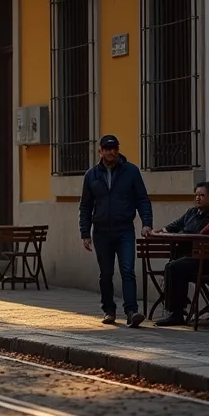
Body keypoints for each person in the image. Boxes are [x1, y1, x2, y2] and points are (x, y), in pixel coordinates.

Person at [78, 134, 153, 328]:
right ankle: (109, 310)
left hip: (124, 229)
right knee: (106, 273)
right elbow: (85, 206)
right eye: (107, 149)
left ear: (118, 150)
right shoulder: (92, 175)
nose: (111, 152)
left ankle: (131, 311)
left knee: (128, 270)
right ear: (100, 151)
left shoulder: (131, 171)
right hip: (101, 231)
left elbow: (142, 199)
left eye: (114, 149)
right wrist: (85, 233)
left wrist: (147, 222)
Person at [153, 185, 209, 327]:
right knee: (175, 265)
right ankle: (178, 309)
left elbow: (205, 232)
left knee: (174, 267)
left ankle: (176, 313)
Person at [144, 181, 209, 260]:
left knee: (172, 267)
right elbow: (176, 224)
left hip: (196, 255)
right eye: (196, 195)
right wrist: (158, 232)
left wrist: (179, 234)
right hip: (181, 251)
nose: (197, 198)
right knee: (171, 265)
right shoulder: (192, 212)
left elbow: (193, 230)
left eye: (202, 195)